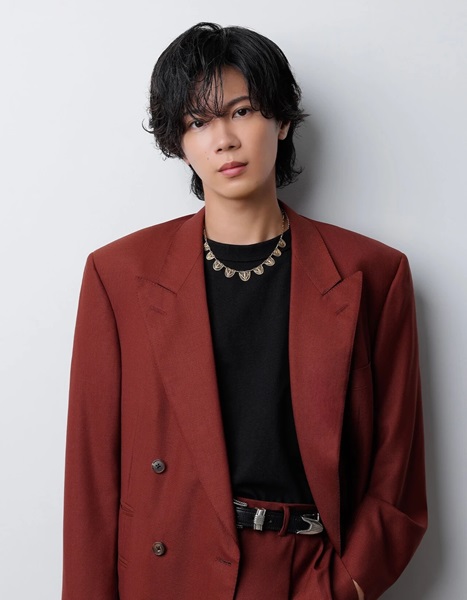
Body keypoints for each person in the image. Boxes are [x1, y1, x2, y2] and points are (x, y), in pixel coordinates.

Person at [62, 22, 427, 600]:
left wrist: (344, 587)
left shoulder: (375, 274)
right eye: (198, 122)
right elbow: (91, 483)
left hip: (306, 577)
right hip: (167, 576)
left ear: (282, 121)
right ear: (178, 143)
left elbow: (396, 476)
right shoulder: (119, 276)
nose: (224, 139)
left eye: (242, 110)